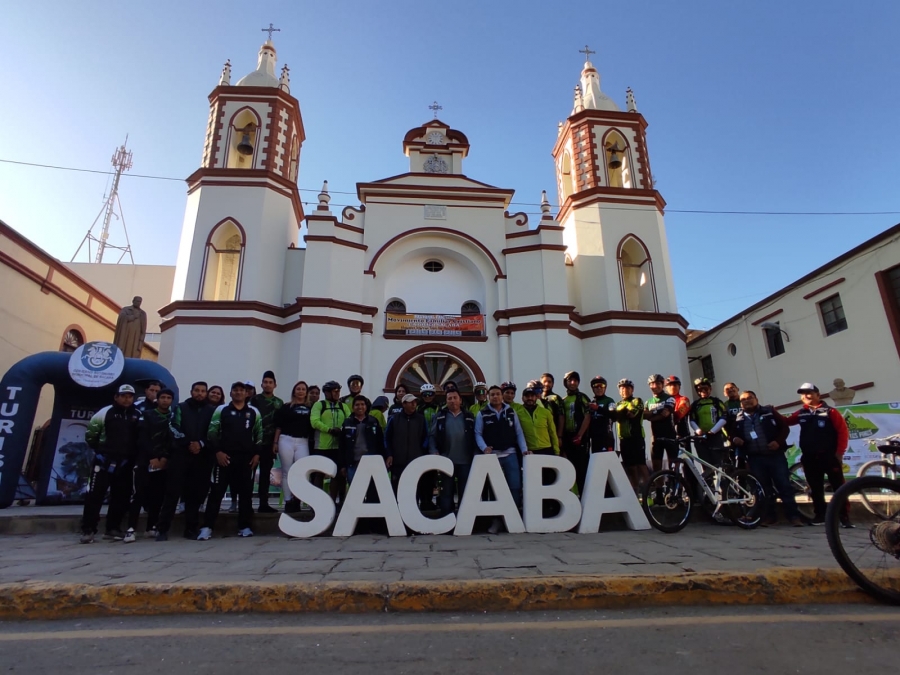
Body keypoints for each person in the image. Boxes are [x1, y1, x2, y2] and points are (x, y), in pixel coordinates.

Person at [728, 391, 804, 527]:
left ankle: (793, 517)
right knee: (763, 489)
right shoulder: (738, 418)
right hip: (755, 458)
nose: (747, 401)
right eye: (743, 400)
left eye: (750, 398)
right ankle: (769, 517)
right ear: (740, 403)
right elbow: (732, 434)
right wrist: (735, 439)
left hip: (775, 456)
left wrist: (778, 441)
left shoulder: (769, 411)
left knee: (784, 486)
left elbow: (784, 428)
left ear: (756, 399)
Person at [198, 382, 262, 540]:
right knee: (217, 492)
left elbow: (259, 435)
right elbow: (212, 433)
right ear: (231, 392)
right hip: (224, 458)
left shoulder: (254, 412)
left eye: (242, 390)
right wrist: (218, 452)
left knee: (246, 493)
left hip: (246, 459)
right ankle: (207, 527)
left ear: (247, 393)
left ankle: (245, 526)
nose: (239, 393)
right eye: (236, 390)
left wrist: (256, 455)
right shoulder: (222, 410)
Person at [80, 384, 142, 543]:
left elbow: (140, 438)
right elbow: (91, 436)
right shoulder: (104, 412)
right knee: (94, 496)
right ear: (116, 397)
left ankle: (112, 528)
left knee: (121, 497)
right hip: (103, 462)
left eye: (130, 396)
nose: (127, 399)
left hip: (126, 463)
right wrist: (102, 451)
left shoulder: (138, 414)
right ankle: (88, 530)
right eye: (123, 395)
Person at [785, 383, 851, 526]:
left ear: (817, 395)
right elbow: (787, 421)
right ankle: (820, 515)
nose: (805, 396)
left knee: (839, 486)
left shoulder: (830, 412)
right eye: (802, 394)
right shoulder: (801, 412)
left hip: (829, 456)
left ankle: (844, 517)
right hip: (809, 457)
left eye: (809, 393)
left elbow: (843, 432)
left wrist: (839, 453)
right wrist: (771, 411)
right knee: (815, 488)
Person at [157, 381, 215, 540]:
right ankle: (162, 529)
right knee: (172, 493)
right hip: (181, 455)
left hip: (201, 457)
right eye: (197, 390)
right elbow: (173, 427)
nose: (200, 394)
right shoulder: (181, 407)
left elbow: (214, 432)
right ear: (191, 391)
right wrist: (188, 443)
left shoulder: (212, 411)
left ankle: (191, 528)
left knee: (194, 495)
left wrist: (200, 444)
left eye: (203, 391)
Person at [125, 388, 181, 542]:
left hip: (164, 462)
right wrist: (153, 457)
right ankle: (131, 528)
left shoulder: (173, 418)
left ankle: (151, 527)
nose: (165, 400)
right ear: (157, 399)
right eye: (162, 397)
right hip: (145, 461)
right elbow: (142, 438)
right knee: (139, 494)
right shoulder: (147, 415)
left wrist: (164, 457)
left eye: (168, 398)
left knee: (158, 496)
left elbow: (173, 440)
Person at [475, 385, 530, 534]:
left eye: (497, 394)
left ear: (501, 396)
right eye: (492, 394)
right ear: (488, 396)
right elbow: (478, 433)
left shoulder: (511, 412)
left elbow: (519, 433)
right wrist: (484, 447)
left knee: (515, 486)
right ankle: (497, 520)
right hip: (493, 457)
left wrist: (524, 450)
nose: (495, 397)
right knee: (495, 489)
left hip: (510, 454)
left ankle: (511, 518)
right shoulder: (482, 414)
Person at [430, 389, 477, 517]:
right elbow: (432, 436)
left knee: (464, 491)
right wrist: (434, 451)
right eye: (449, 398)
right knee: (446, 492)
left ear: (460, 400)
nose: (452, 401)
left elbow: (476, 436)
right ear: (446, 401)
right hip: (446, 460)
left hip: (465, 461)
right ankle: (446, 518)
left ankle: (464, 519)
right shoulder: (439, 416)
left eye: (455, 398)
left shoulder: (469, 417)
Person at [517, 384, 559, 517]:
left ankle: (552, 510)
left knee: (549, 483)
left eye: (532, 396)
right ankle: (536, 512)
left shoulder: (545, 412)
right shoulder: (518, 413)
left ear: (536, 397)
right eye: (527, 396)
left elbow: (553, 432)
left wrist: (556, 452)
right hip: (530, 453)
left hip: (546, 450)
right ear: (523, 398)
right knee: (534, 484)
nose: (530, 398)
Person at [384, 393, 430, 508]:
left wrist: (421, 451)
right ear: (404, 404)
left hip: (415, 461)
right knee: (397, 487)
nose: (414, 404)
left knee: (415, 487)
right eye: (411, 402)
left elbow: (426, 437)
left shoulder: (420, 419)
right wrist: (389, 454)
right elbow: (387, 438)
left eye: (415, 402)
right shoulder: (394, 419)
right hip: (398, 461)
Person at [273, 381, 312, 514]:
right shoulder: (286, 407)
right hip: (286, 440)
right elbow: (279, 426)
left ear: (306, 392)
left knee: (302, 471)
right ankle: (288, 501)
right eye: (298, 389)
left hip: (303, 441)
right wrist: (275, 442)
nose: (300, 391)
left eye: (303, 389)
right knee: (286, 471)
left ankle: (298, 499)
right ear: (294, 391)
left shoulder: (311, 408)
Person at [310, 381, 351, 505]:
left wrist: (342, 430)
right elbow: (314, 421)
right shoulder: (319, 405)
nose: (337, 393)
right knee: (320, 474)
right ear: (327, 393)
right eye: (335, 391)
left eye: (338, 391)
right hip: (322, 445)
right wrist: (329, 430)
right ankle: (317, 503)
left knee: (337, 475)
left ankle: (333, 501)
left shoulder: (343, 406)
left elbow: (349, 420)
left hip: (338, 446)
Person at [574, 377, 617, 492]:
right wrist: (580, 435)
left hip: (606, 438)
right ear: (592, 388)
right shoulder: (591, 402)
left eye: (601, 386)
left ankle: (611, 491)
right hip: (595, 439)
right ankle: (601, 492)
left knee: (608, 465)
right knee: (597, 466)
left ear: (605, 387)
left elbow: (614, 416)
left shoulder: (609, 400)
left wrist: (598, 409)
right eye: (596, 386)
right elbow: (587, 419)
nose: (599, 389)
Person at [250, 370, 284, 513]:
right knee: (248, 474)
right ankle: (245, 503)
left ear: (275, 385)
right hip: (254, 442)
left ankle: (263, 503)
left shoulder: (279, 402)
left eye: (270, 382)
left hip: (270, 444)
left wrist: (276, 443)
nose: (268, 385)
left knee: (265, 474)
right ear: (262, 384)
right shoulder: (255, 400)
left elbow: (280, 424)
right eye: (265, 382)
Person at [339, 395, 388, 484]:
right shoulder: (347, 422)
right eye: (357, 405)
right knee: (354, 491)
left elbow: (380, 442)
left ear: (366, 406)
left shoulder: (373, 421)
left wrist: (383, 459)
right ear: (353, 407)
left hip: (371, 462)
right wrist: (342, 465)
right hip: (352, 462)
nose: (360, 407)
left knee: (371, 490)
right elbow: (342, 445)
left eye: (362, 404)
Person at [560, 371, 592, 494]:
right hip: (568, 437)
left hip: (581, 438)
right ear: (565, 383)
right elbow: (561, 418)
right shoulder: (563, 400)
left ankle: (585, 495)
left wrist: (580, 435)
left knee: (582, 468)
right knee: (569, 467)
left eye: (575, 380)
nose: (573, 383)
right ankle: (574, 495)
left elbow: (588, 416)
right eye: (570, 380)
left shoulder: (583, 397)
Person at [615, 379, 648, 492]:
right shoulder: (618, 404)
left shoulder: (637, 400)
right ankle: (635, 491)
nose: (625, 390)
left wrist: (620, 413)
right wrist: (619, 413)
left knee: (641, 465)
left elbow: (631, 414)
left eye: (628, 388)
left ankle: (648, 492)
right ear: (619, 391)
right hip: (624, 439)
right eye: (622, 388)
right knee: (630, 468)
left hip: (636, 437)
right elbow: (615, 416)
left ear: (632, 390)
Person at [688, 378, 728, 467]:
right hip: (700, 438)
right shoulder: (695, 404)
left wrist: (713, 431)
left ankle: (721, 480)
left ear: (710, 389)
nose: (702, 391)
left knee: (718, 463)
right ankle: (708, 481)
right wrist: (698, 430)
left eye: (705, 389)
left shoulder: (717, 402)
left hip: (716, 436)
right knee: (705, 463)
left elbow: (724, 417)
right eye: (699, 389)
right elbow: (692, 419)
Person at [645, 374, 678, 472]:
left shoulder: (670, 398)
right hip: (655, 437)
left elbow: (665, 414)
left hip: (670, 436)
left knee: (673, 464)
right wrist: (656, 412)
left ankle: (677, 486)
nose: (655, 386)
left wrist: (651, 414)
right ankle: (660, 488)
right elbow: (645, 416)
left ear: (663, 384)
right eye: (652, 384)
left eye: (658, 383)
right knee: (656, 466)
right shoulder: (648, 402)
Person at [540, 373, 565, 446]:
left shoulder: (556, 398)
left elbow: (561, 417)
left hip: (554, 434)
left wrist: (559, 436)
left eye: (549, 382)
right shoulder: (536, 398)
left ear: (553, 384)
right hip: (542, 436)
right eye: (544, 381)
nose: (547, 384)